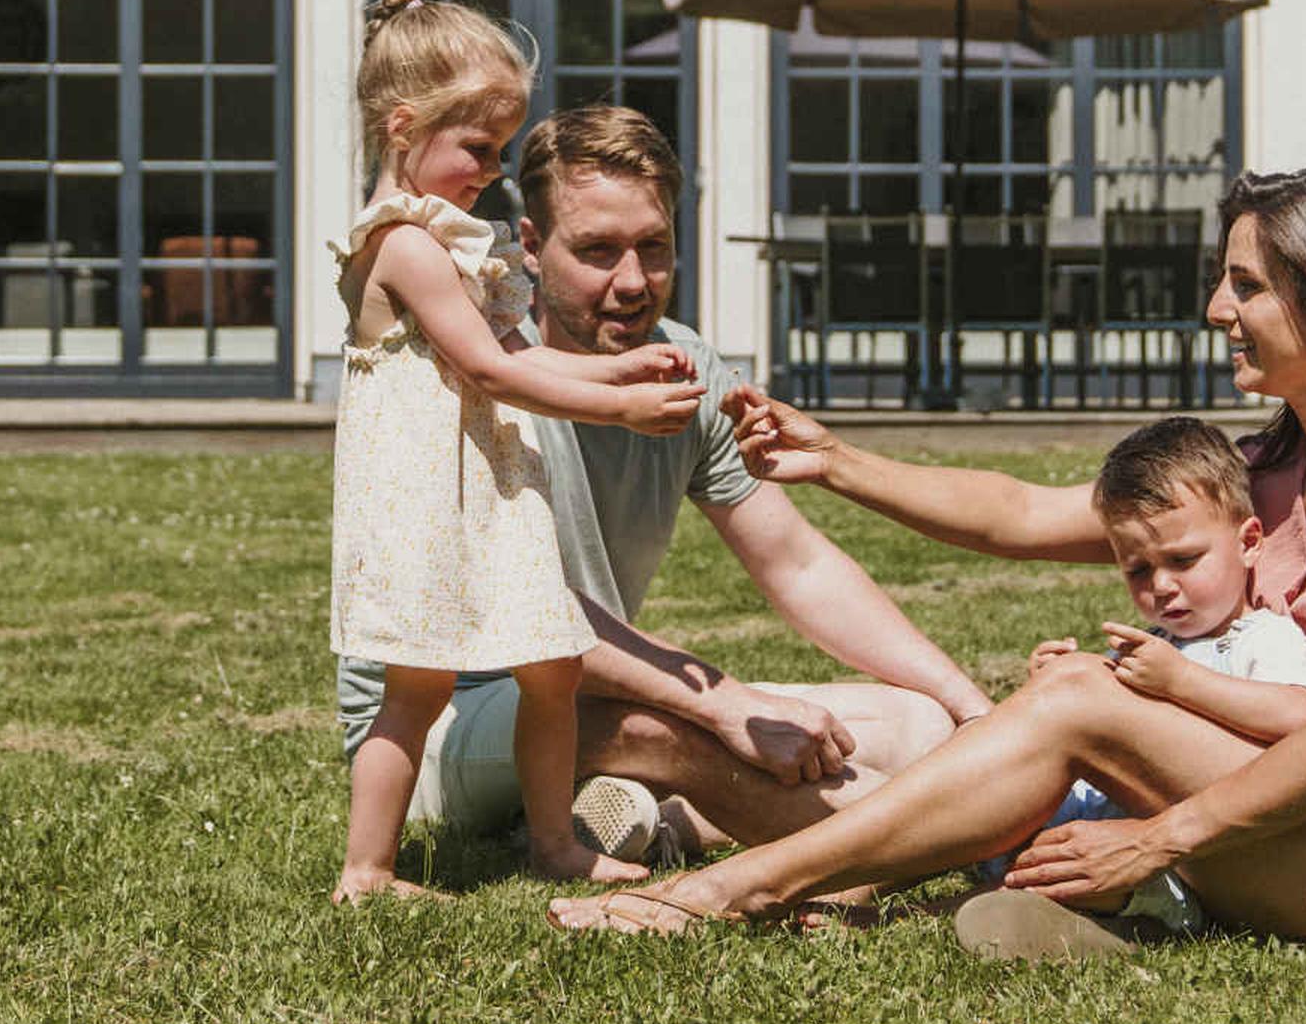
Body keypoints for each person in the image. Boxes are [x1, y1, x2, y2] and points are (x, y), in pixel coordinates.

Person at [547, 165, 1306, 956]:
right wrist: (835, 461)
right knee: (1052, 705)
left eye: (1246, 285)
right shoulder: (1278, 462)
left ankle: (741, 888)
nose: (1219, 308)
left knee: (1080, 698)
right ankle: (1036, 901)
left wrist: (1159, 836)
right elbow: (1022, 513)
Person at [332, 103, 986, 866]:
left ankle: (650, 817)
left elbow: (796, 564)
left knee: (918, 725)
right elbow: (540, 609)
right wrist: (729, 703)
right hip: (443, 724)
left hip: (585, 694)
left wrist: (971, 709)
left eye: (654, 248)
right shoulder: (482, 371)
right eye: (599, 251)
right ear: (533, 249)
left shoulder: (686, 366)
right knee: (657, 726)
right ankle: (923, 840)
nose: (633, 282)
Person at [328, 0, 700, 903]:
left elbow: (521, 359)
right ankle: (366, 870)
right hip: (429, 500)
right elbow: (492, 374)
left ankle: (553, 843)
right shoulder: (406, 245)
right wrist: (618, 412)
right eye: (481, 151)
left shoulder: (451, 241)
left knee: (554, 667)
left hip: (486, 489)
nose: (492, 172)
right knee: (415, 686)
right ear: (406, 126)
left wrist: (625, 373)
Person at [973, 416, 1306, 932]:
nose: (1162, 585)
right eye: (1138, 570)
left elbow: (1302, 716)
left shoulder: (1264, 638)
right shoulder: (1160, 645)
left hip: (1181, 860)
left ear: (1249, 542)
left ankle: (976, 906)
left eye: (1184, 560)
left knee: (1051, 874)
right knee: (994, 773)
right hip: (1100, 828)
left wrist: (1182, 681)